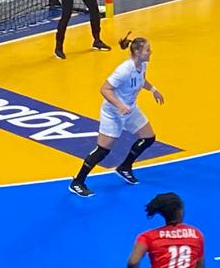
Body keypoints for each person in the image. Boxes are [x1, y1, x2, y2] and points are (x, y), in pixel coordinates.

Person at [69, 34, 166, 194]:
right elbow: (104, 89)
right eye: (147, 50)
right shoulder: (123, 70)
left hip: (130, 109)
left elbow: (142, 80)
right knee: (103, 150)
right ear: (137, 52)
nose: (151, 52)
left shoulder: (142, 66)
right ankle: (77, 182)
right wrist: (120, 105)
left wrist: (153, 90)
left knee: (149, 137)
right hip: (113, 113)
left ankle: (125, 167)